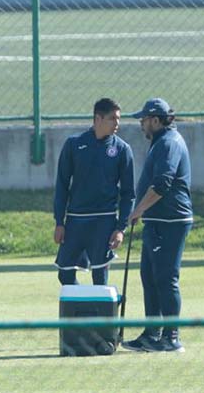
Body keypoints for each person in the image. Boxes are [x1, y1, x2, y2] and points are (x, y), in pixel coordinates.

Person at [122, 98, 193, 353]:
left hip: (170, 221)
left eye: (143, 120)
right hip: (156, 221)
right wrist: (143, 212)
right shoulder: (159, 142)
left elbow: (163, 183)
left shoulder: (169, 143)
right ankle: (152, 334)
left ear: (155, 119)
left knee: (165, 278)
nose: (141, 124)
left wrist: (138, 209)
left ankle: (171, 337)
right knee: (149, 277)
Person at [53, 98, 135, 285]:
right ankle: (82, 312)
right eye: (112, 118)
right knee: (64, 274)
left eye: (118, 118)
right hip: (75, 220)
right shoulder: (74, 145)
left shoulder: (122, 150)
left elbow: (128, 194)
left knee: (99, 277)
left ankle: (99, 313)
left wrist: (120, 228)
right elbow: (62, 186)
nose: (117, 124)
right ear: (97, 119)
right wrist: (59, 221)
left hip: (104, 221)